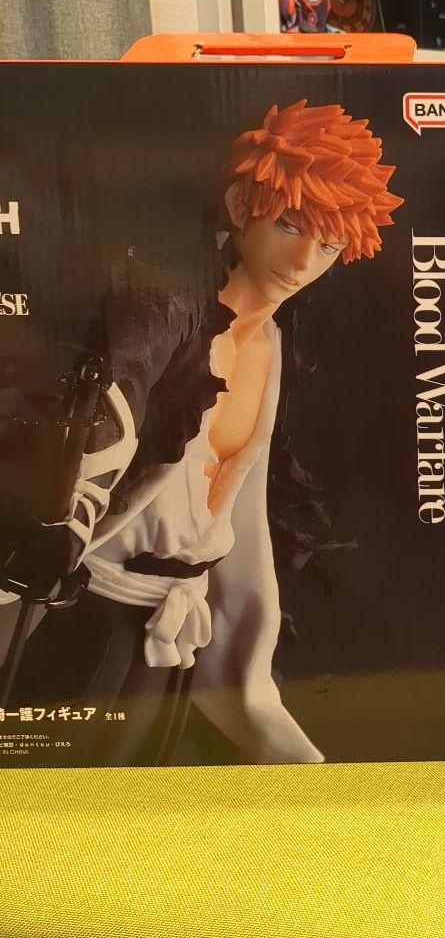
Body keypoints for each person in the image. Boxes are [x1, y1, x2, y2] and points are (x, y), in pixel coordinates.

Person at [0, 99, 402, 766]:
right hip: (87, 613)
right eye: (289, 225)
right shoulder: (163, 298)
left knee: (147, 796)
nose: (304, 259)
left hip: (178, 627)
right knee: (53, 794)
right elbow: (116, 390)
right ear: (242, 205)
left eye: (329, 245)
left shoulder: (271, 342)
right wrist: (71, 510)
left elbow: (236, 510)